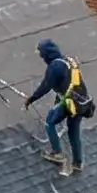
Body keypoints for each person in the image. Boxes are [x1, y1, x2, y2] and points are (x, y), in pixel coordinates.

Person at [28, 38, 90, 175]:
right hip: (81, 102)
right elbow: (67, 84)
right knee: (73, 132)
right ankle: (78, 162)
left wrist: (31, 99)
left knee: (50, 122)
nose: (41, 56)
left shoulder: (55, 67)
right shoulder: (68, 61)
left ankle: (57, 153)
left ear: (46, 53)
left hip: (70, 103)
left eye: (41, 53)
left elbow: (45, 87)